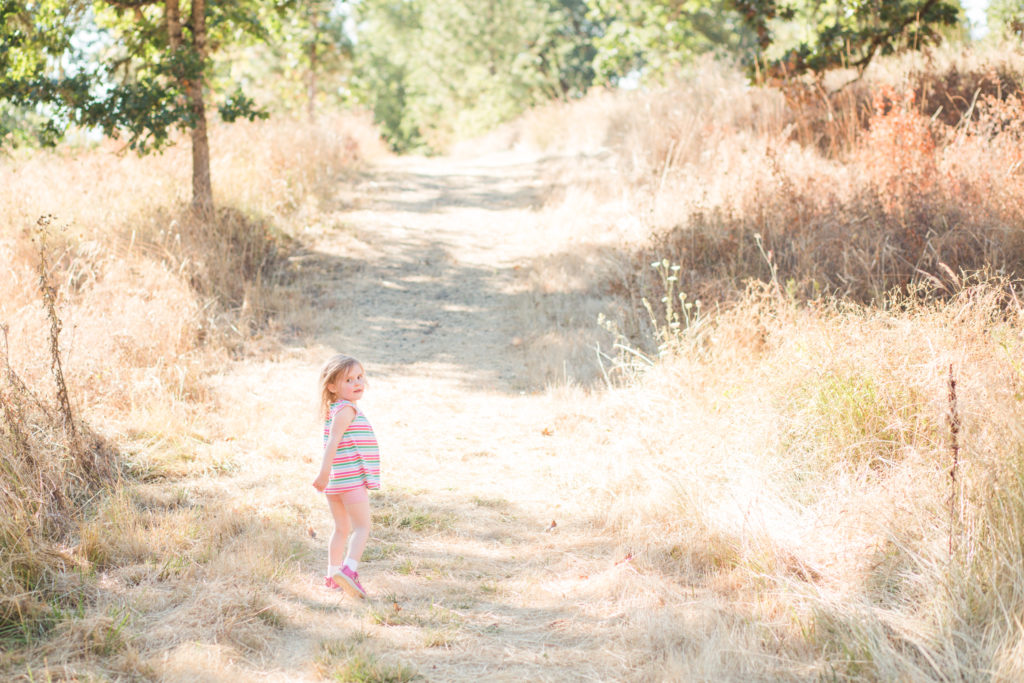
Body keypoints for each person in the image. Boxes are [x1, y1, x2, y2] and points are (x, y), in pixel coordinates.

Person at [312, 354, 380, 598]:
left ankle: (332, 576)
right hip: (349, 480)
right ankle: (349, 570)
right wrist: (323, 472)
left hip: (337, 482)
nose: (357, 383)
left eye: (360, 377)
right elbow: (333, 442)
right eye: (349, 380)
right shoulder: (347, 409)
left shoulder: (337, 409)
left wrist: (327, 477)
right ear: (332, 386)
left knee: (341, 528)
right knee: (362, 527)